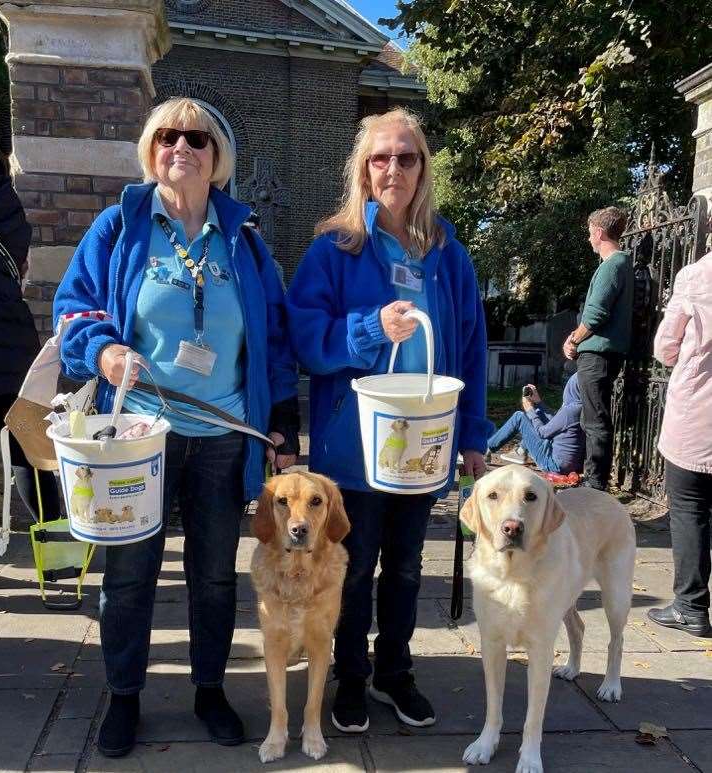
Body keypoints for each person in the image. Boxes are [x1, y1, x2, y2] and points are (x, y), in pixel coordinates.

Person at [53, 98, 300, 756]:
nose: (180, 147)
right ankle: (125, 696)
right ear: (150, 149)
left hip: (222, 439)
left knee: (215, 573)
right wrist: (104, 350)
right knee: (129, 572)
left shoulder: (243, 241)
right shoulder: (121, 227)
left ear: (218, 158)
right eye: (167, 136)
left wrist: (282, 425)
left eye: (196, 137)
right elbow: (73, 306)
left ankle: (210, 689)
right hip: (139, 439)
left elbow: (273, 341)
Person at [286, 108, 491, 733]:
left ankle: (394, 672)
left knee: (405, 568)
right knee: (351, 570)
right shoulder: (335, 249)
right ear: (363, 168)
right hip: (354, 448)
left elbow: (471, 346)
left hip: (424, 446)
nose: (393, 168)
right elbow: (305, 339)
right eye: (381, 157)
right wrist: (372, 329)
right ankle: (350, 676)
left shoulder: (447, 252)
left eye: (406, 157)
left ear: (423, 168)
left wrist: (474, 435)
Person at [0, 117, 61, 590]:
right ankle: (56, 549)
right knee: (30, 447)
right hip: (8, 346)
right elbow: (19, 268)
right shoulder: (6, 204)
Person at [647, 250, 712, 637]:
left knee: (690, 511)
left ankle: (691, 606)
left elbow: (665, 347)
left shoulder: (696, 275)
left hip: (698, 415)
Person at [562, 206, 633, 490]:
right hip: (603, 352)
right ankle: (592, 478)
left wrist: (573, 340)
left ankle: (595, 484)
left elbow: (595, 315)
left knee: (594, 419)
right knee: (592, 415)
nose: (589, 238)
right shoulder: (620, 265)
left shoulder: (612, 265)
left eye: (590, 232)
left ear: (599, 232)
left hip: (598, 354)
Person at [487, 374, 585, 474]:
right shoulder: (583, 407)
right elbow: (556, 422)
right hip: (572, 465)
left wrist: (530, 410)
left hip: (555, 465)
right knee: (536, 419)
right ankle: (520, 451)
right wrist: (538, 403)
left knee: (519, 417)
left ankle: (487, 448)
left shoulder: (571, 410)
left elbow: (542, 433)